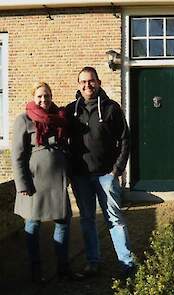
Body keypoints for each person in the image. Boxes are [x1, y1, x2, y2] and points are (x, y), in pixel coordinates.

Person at [66, 66, 135, 278]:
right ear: (79, 85)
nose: (88, 85)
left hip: (106, 175)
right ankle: (93, 262)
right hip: (80, 176)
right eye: (83, 82)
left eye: (91, 81)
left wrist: (117, 170)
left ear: (99, 82)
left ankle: (127, 263)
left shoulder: (111, 108)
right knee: (87, 219)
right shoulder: (70, 111)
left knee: (114, 219)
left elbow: (125, 140)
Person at [12, 82, 79, 283]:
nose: (44, 100)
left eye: (47, 96)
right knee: (32, 224)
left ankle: (63, 268)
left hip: (57, 182)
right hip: (33, 183)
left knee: (64, 222)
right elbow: (17, 155)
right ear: (33, 96)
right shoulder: (23, 119)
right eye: (40, 96)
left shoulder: (59, 118)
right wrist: (22, 184)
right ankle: (35, 271)